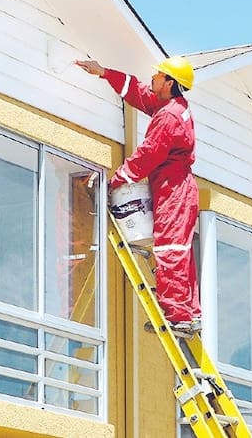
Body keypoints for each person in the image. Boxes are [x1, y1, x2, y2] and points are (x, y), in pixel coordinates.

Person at [75, 56, 201, 333]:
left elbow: (148, 154)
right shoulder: (172, 106)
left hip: (174, 191)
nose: (153, 78)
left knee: (169, 249)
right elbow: (140, 94)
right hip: (176, 188)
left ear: (169, 83)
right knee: (179, 250)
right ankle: (188, 312)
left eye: (158, 76)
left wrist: (117, 180)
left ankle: (178, 316)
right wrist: (104, 72)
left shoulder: (168, 117)